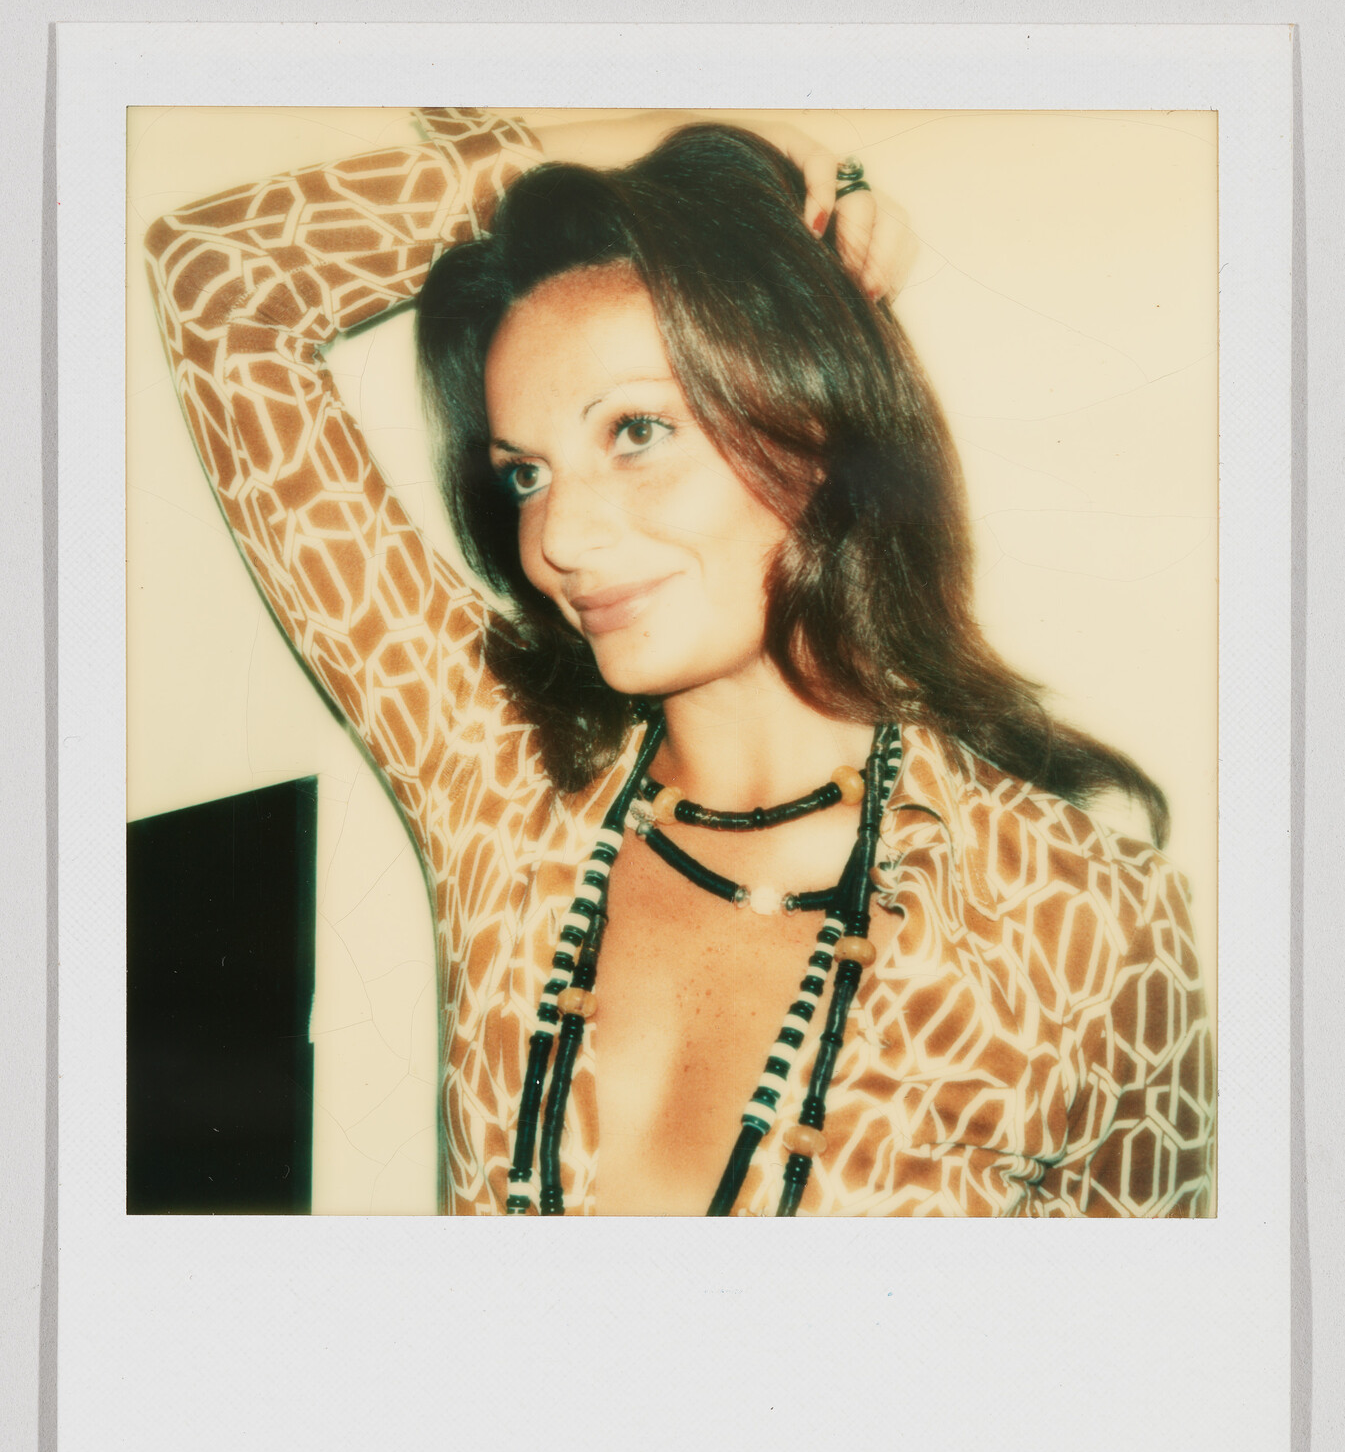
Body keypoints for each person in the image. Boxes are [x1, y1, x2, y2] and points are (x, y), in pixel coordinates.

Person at [143, 106, 1215, 1218]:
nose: (558, 539)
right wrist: (655, 145)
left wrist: (704, 193)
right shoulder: (498, 782)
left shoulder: (1076, 921)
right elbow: (218, 281)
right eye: (526, 474)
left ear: (815, 422)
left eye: (635, 432)